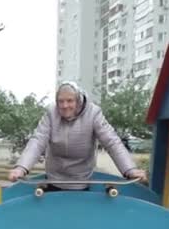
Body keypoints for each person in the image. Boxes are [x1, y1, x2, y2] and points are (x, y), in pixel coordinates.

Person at [8, 81, 147, 190]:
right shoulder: (51, 113)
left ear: (78, 101)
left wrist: (130, 169)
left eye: (69, 101)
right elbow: (37, 141)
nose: (64, 105)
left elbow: (111, 141)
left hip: (80, 180)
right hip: (54, 178)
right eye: (60, 101)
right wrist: (21, 168)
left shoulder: (93, 113)